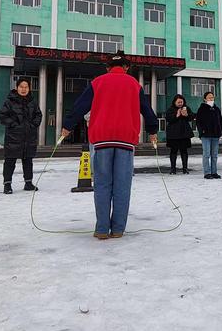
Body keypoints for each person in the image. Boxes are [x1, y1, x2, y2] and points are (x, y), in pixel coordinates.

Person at [61, 52, 158, 240]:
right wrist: (153, 129)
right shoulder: (134, 85)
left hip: (102, 140)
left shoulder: (98, 83)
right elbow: (147, 109)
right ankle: (118, 229)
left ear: (108, 68)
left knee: (102, 184)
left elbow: (80, 106)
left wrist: (67, 125)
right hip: (125, 141)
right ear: (127, 67)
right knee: (122, 185)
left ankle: (102, 229)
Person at [0, 78, 42, 194]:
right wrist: (13, 125)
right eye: (21, 87)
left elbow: (38, 115)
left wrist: (33, 125)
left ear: (29, 88)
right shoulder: (10, 101)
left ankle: (28, 183)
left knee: (28, 161)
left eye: (26, 87)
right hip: (13, 137)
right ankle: (7, 185)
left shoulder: (32, 101)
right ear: (17, 87)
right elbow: (2, 116)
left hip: (29, 137)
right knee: (10, 161)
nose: (23, 89)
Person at [195, 91, 222, 179]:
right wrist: (202, 132)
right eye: (209, 97)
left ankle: (214, 172)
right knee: (206, 154)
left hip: (215, 135)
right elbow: (198, 122)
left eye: (212, 97)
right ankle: (207, 173)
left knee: (214, 155)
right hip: (206, 135)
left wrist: (220, 131)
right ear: (205, 99)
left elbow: (221, 121)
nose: (211, 99)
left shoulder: (216, 109)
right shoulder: (202, 109)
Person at [165, 94, 194, 174]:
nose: (180, 103)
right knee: (173, 151)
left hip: (184, 134)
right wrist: (176, 115)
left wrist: (187, 115)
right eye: (178, 102)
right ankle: (173, 169)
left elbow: (192, 117)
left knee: (184, 151)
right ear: (174, 102)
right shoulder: (170, 109)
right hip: (173, 135)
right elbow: (168, 119)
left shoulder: (186, 108)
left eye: (181, 102)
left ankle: (185, 168)